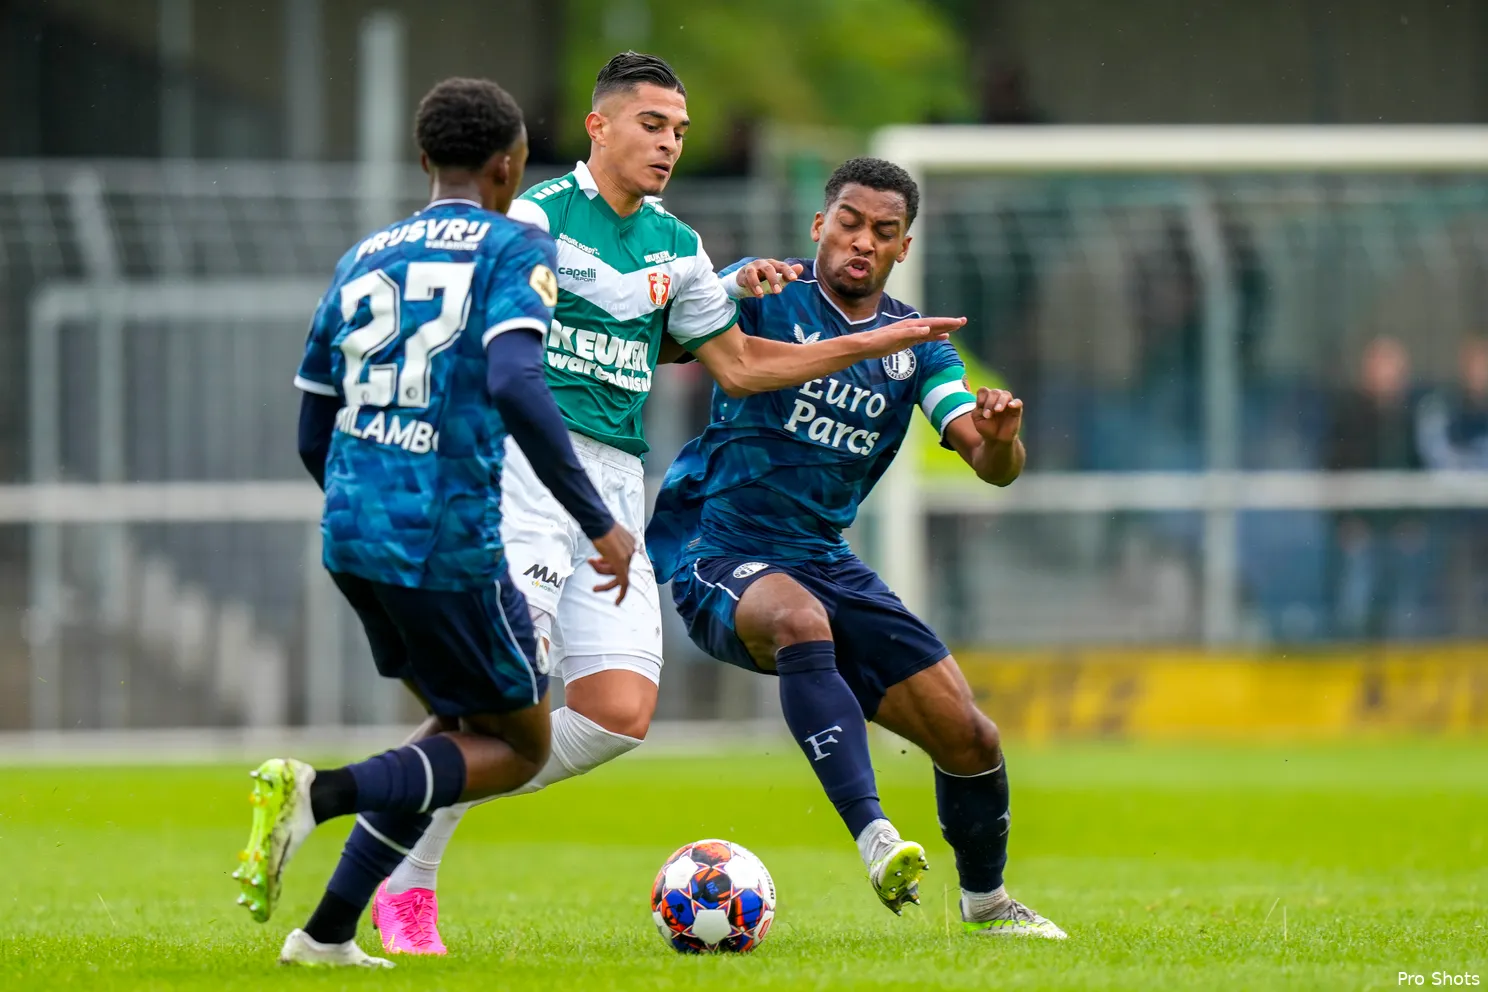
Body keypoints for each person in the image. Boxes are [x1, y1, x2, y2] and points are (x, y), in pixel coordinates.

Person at [372, 53, 965, 954]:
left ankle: (390, 786)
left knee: (617, 716)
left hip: (612, 483)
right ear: (599, 127)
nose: (671, 144)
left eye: (681, 131)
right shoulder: (535, 219)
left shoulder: (677, 245)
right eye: (653, 125)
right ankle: (402, 877)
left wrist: (799, 319)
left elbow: (737, 363)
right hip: (526, 473)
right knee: (510, 692)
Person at [233, 77, 636, 968]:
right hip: (446, 542)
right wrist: (595, 517)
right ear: (511, 164)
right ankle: (320, 792)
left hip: (353, 534)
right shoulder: (511, 248)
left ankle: (329, 933)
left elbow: (312, 427)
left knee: (457, 730)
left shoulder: (363, 257)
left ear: (424, 160)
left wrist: (363, 499)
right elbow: (515, 383)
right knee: (522, 744)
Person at [647, 157, 1067, 939]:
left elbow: (986, 461)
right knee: (800, 621)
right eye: (849, 221)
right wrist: (732, 286)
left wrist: (1004, 439)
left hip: (823, 558)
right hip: (717, 547)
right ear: (819, 224)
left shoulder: (918, 347)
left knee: (970, 736)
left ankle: (988, 905)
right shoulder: (765, 290)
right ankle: (877, 841)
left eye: (883, 231)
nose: (862, 241)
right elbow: (677, 340)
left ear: (904, 247)